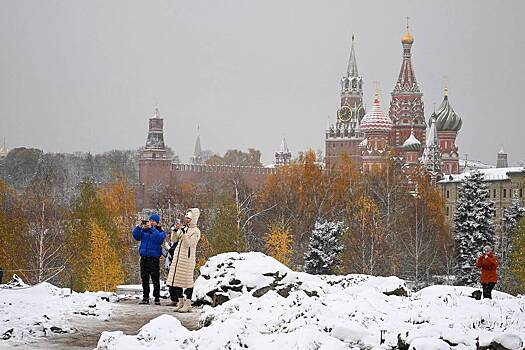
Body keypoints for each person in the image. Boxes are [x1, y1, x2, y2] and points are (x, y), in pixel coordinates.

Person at [166, 208, 201, 312]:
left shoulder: (196, 231)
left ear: (194, 218)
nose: (187, 219)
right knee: (177, 281)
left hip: (187, 260)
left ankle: (188, 303)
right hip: (178, 259)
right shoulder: (185, 228)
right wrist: (175, 231)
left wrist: (183, 232)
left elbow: (189, 244)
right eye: (186, 217)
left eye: (189, 217)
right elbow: (174, 240)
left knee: (188, 282)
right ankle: (180, 302)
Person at [132, 213, 166, 305]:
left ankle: (157, 297)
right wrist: (139, 227)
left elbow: (159, 239)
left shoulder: (160, 231)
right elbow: (136, 236)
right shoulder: (144, 230)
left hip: (154, 258)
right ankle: (145, 297)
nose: (151, 222)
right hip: (144, 257)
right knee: (144, 278)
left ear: (157, 222)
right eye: (150, 220)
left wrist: (152, 228)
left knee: (155, 278)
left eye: (153, 221)